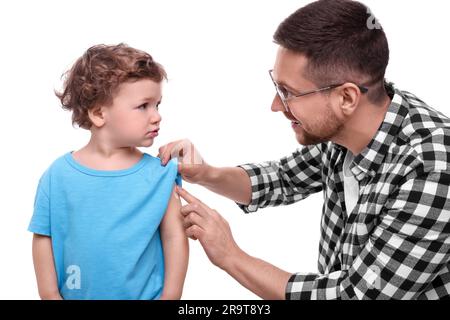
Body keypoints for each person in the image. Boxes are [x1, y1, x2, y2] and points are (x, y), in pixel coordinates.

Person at [158, 0, 450, 299]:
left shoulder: (432, 165)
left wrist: (230, 255)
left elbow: (355, 296)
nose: (275, 105)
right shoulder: (354, 126)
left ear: (347, 98)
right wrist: (206, 174)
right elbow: (282, 178)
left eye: (288, 92)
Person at [28, 43, 188, 300]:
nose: (157, 116)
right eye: (143, 106)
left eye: (158, 104)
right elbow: (43, 236)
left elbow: (174, 237)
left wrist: (171, 297)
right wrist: (49, 294)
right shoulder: (57, 176)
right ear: (99, 113)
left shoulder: (160, 174)